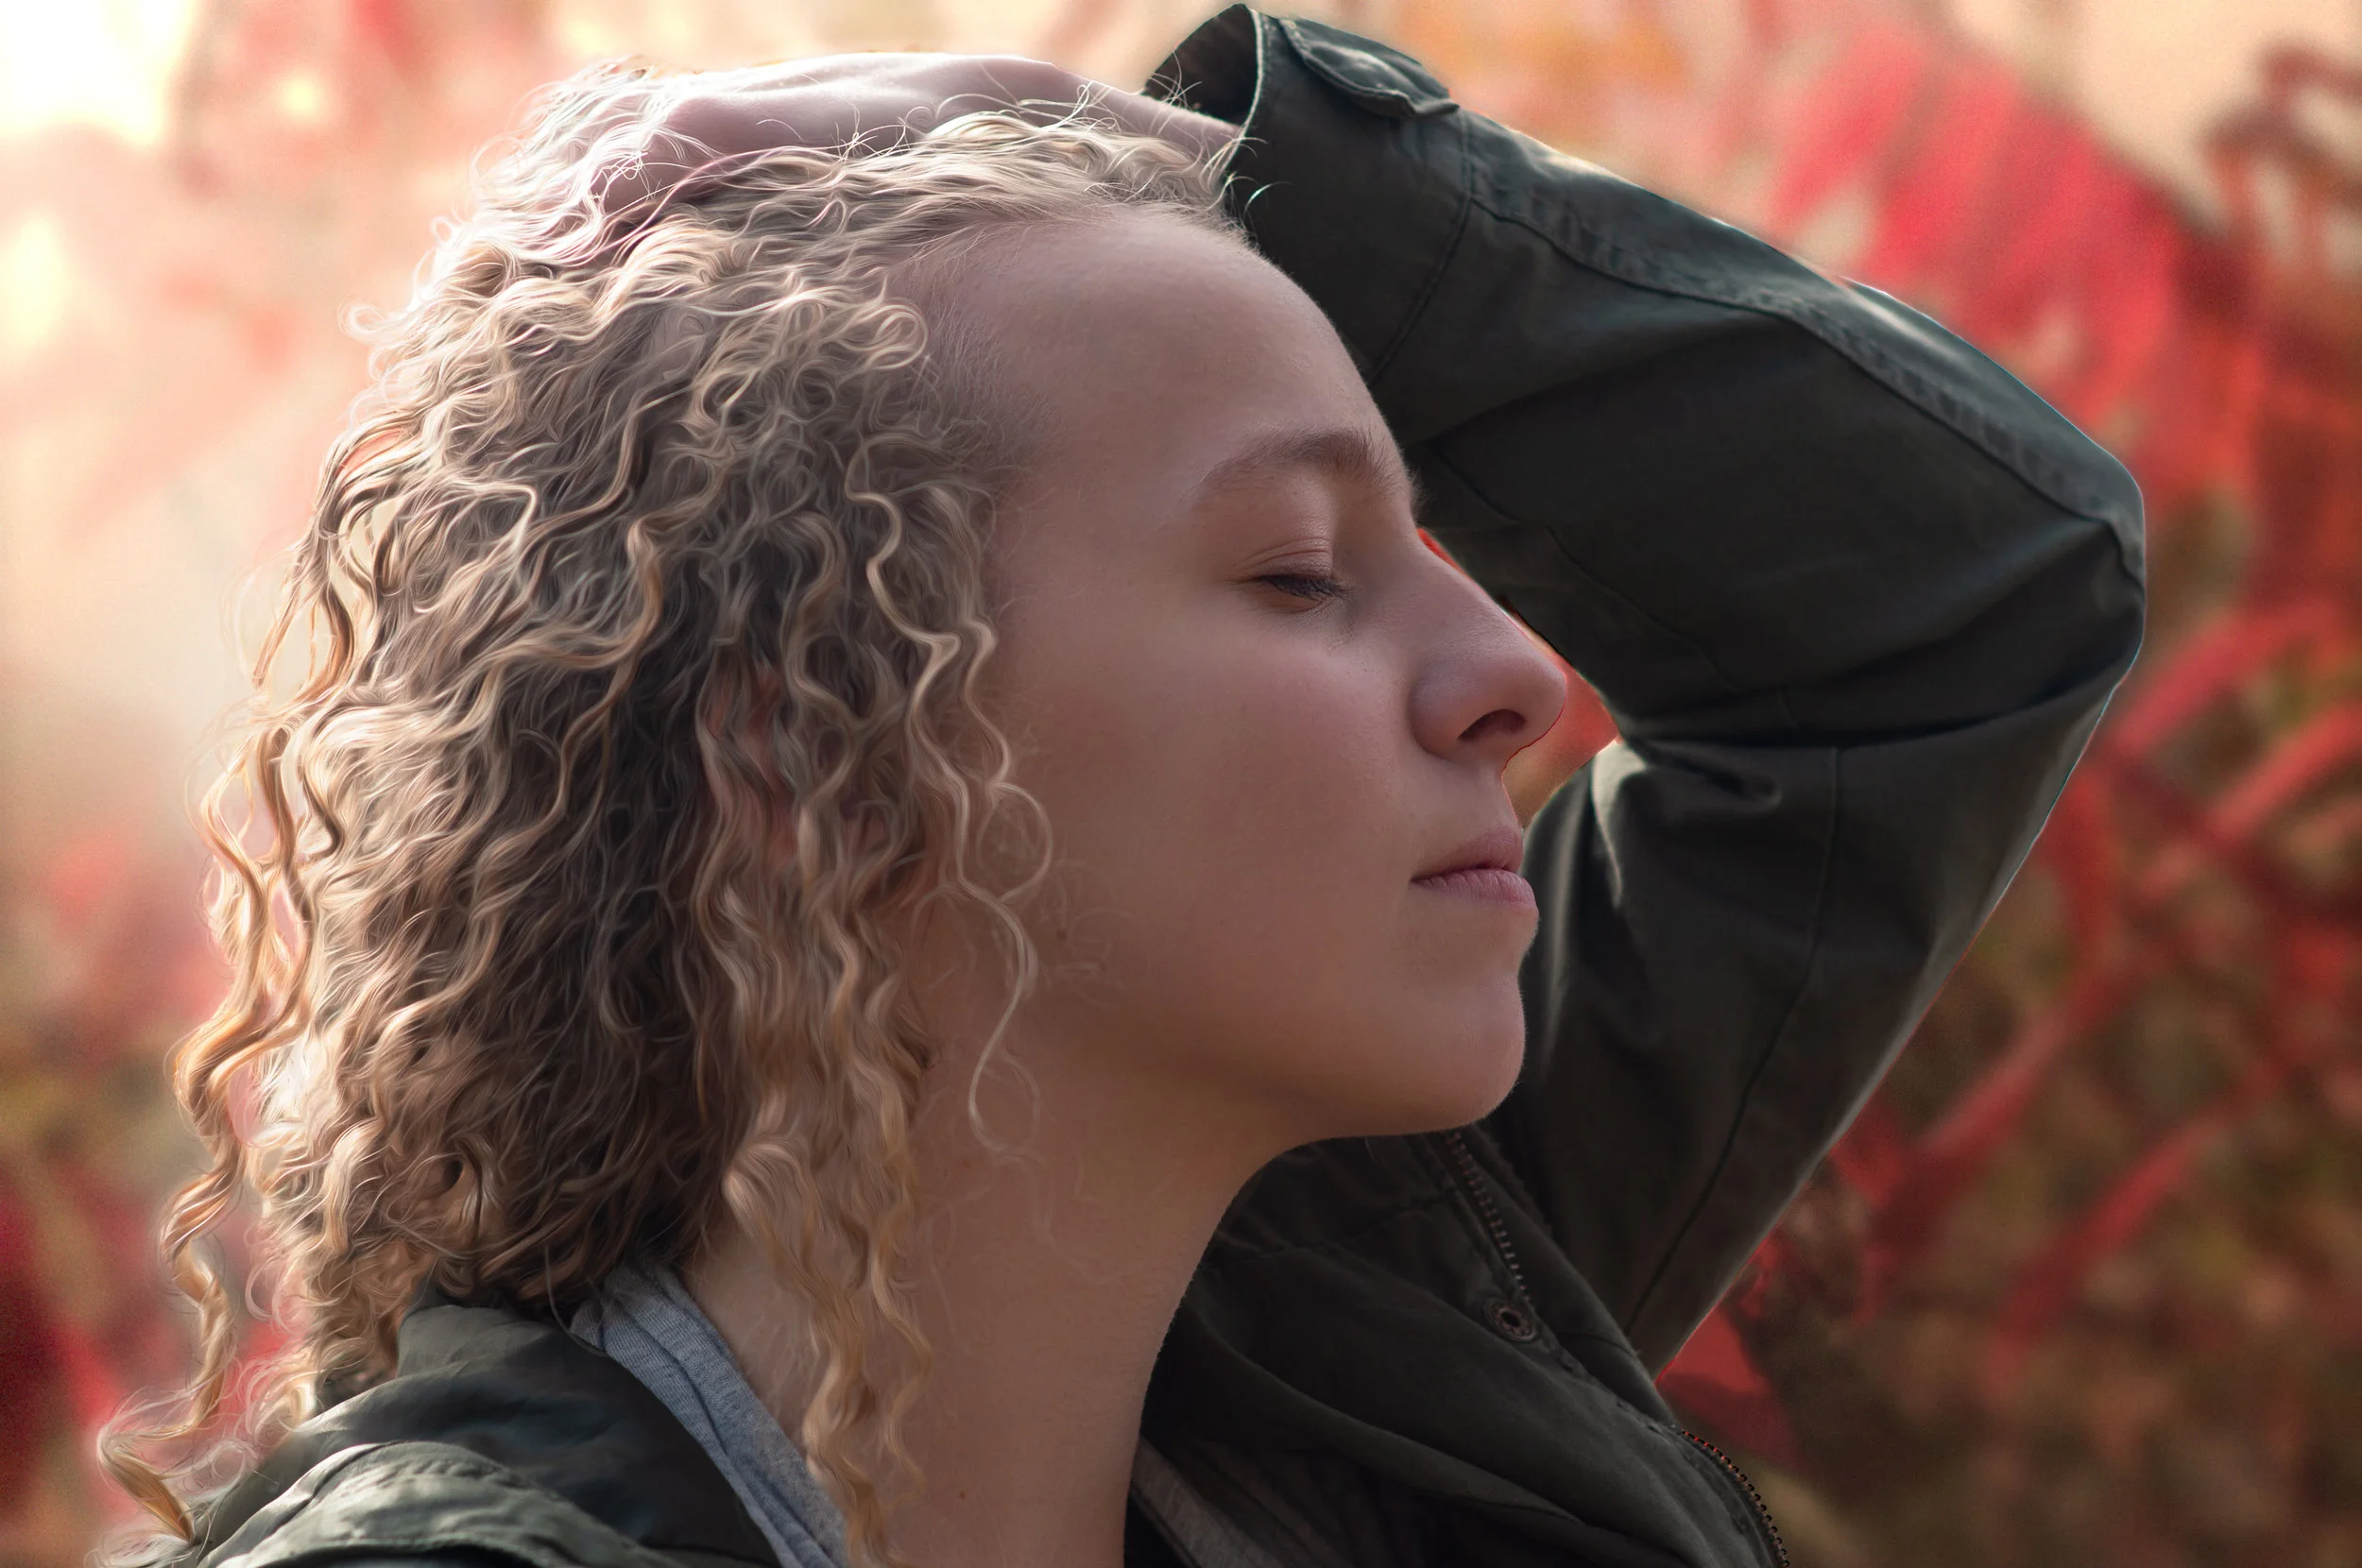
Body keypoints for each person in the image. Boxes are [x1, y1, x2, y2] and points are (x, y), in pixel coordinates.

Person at [111, 9, 2145, 1568]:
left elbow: (1954, 594)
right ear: (806, 753)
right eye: (1290, 569)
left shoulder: (1380, 1358)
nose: (1516, 679)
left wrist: (1196, 167)